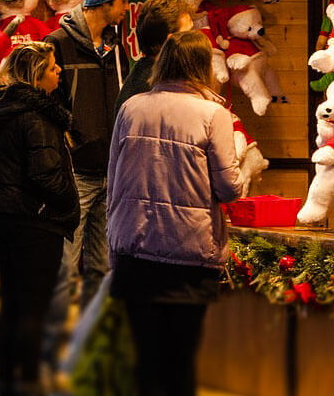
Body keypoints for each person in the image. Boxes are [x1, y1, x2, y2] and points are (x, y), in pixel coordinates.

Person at [106, 31, 247, 396]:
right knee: (180, 361)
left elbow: (114, 178)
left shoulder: (131, 107)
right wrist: (242, 169)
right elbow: (229, 188)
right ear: (202, 66)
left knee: (146, 359)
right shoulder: (214, 114)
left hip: (134, 249)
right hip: (188, 253)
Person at [41, 0, 134, 367]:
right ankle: (46, 351)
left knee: (100, 265)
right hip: (75, 173)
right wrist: (71, 143)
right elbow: (46, 106)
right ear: (105, 0)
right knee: (63, 269)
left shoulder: (117, 48)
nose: (127, 6)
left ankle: (87, 349)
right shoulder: (56, 46)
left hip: (111, 170)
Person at [0, 43, 78, 396]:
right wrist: (69, 201)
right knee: (33, 307)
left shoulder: (0, 107)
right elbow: (45, 175)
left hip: (2, 214)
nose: (59, 72)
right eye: (52, 68)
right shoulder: (38, 116)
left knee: (13, 304)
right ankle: (30, 382)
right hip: (35, 220)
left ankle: (7, 379)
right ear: (36, 76)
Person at [115, 0, 192, 108]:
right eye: (189, 34)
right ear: (171, 41)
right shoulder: (155, 88)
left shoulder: (148, 75)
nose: (195, 41)